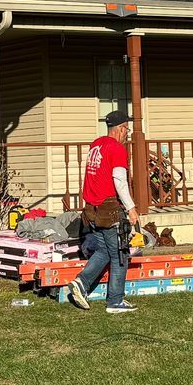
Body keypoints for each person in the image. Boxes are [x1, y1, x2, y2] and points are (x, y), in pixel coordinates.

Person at [70, 108, 141, 314]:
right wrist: (131, 208)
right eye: (126, 129)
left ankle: (81, 283)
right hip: (108, 209)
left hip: (91, 209)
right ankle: (115, 301)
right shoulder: (117, 149)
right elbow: (119, 181)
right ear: (120, 129)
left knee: (103, 250)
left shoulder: (96, 145)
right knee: (120, 253)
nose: (127, 134)